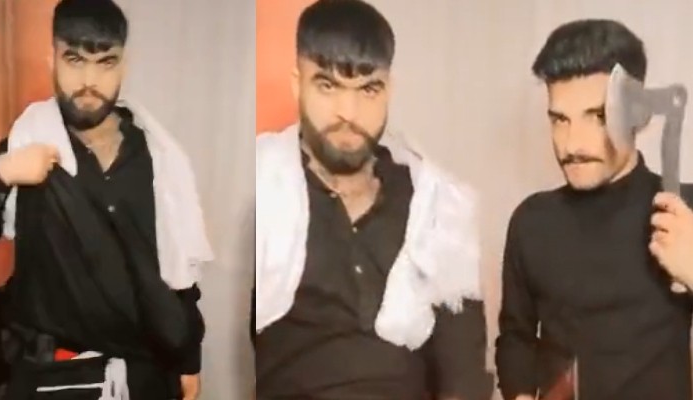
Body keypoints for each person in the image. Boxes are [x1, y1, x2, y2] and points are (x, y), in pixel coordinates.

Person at [0, 0, 212, 398]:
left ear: (124, 65)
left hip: (147, 376)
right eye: (74, 59)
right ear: (52, 59)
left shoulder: (157, 155)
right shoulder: (26, 145)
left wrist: (189, 359)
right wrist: (2, 175)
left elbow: (178, 268)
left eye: (105, 62)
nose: (89, 80)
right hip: (51, 378)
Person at [255, 1, 493, 399]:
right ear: (297, 85)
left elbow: (463, 373)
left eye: (368, 89)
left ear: (389, 91)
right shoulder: (263, 184)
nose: (348, 113)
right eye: (327, 86)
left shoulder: (436, 204)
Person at [495, 19, 693, 400]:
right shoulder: (532, 222)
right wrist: (519, 393)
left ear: (637, 113)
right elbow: (516, 338)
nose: (572, 144)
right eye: (559, 120)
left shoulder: (684, 213)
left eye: (598, 116)